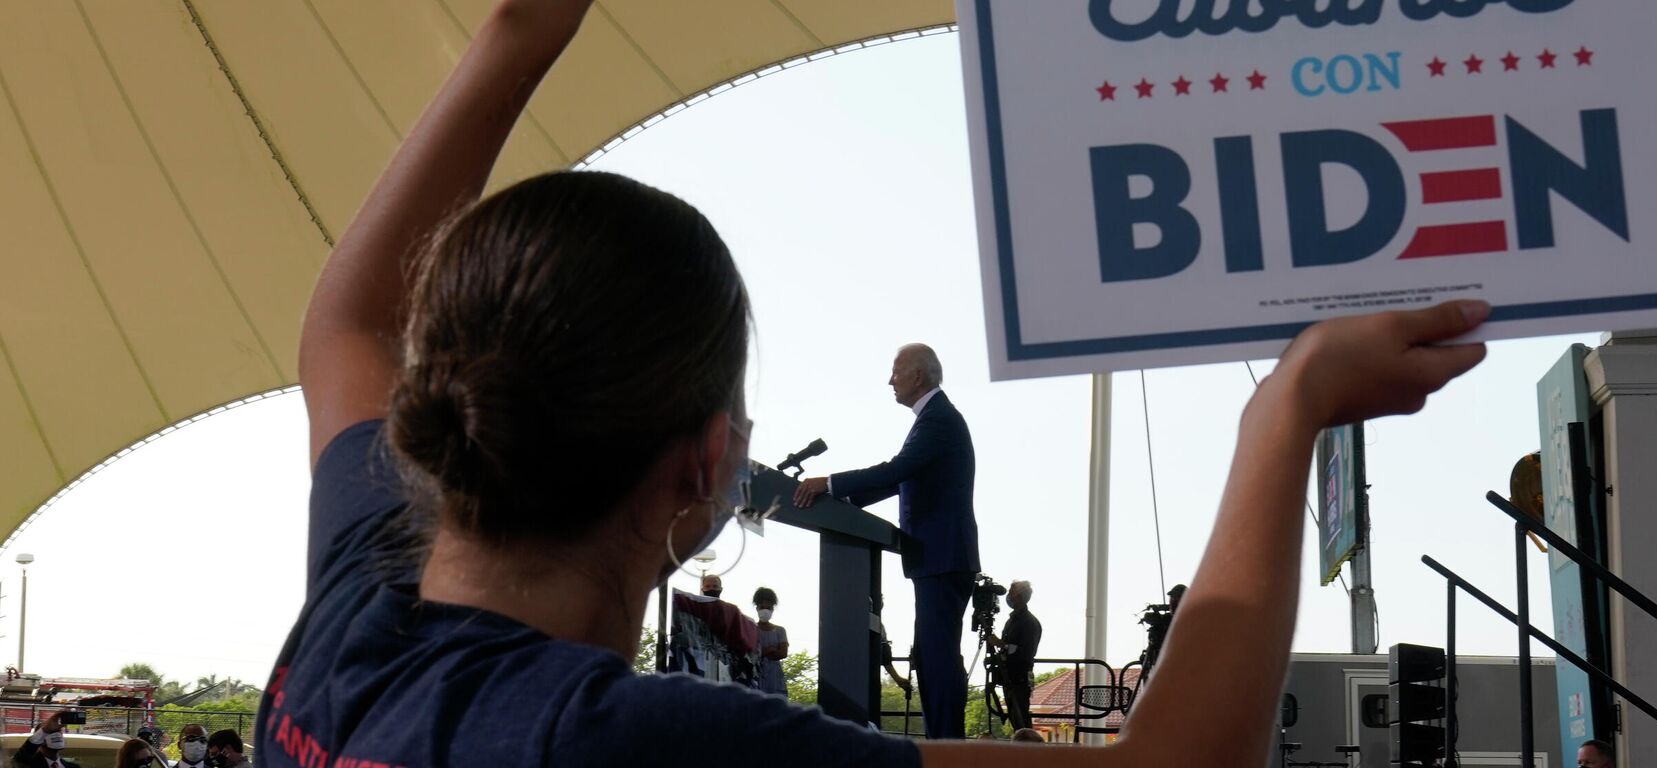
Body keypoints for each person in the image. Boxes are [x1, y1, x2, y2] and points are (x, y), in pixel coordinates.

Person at [269, 0, 1489, 763]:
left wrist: (517, 34)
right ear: (700, 471)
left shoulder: (352, 618)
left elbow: (345, 325)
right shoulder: (625, 739)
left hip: (933, 563)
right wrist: (1289, 409)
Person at [793, 343, 981, 738]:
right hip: (938, 558)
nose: (890, 380)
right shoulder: (933, 418)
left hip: (943, 558)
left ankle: (947, 749)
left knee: (937, 659)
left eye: (896, 371)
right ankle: (941, 744)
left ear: (917, 375)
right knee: (929, 658)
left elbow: (899, 469)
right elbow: (903, 479)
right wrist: (841, 498)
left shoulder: (938, 419)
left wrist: (828, 483)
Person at [988, 580, 1041, 730]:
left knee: (1020, 718)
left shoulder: (1029, 623)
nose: (1009, 596)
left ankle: (1027, 749)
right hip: (1010, 677)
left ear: (1018, 596)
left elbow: (1026, 653)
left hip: (1019, 678)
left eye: (1012, 592)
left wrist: (1001, 644)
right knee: (1014, 717)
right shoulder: (1012, 621)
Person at [754, 587, 791, 697]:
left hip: (776, 680)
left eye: (768, 608)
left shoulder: (780, 630)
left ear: (772, 610)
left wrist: (762, 653)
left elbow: (783, 653)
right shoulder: (751, 628)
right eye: (762, 607)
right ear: (757, 608)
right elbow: (751, 655)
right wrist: (770, 650)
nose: (765, 610)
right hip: (757, 678)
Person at [11, 713, 80, 768]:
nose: (56, 735)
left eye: (58, 731)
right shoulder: (28, 765)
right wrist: (45, 730)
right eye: (50, 731)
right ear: (40, 738)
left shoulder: (73, 767)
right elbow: (18, 761)